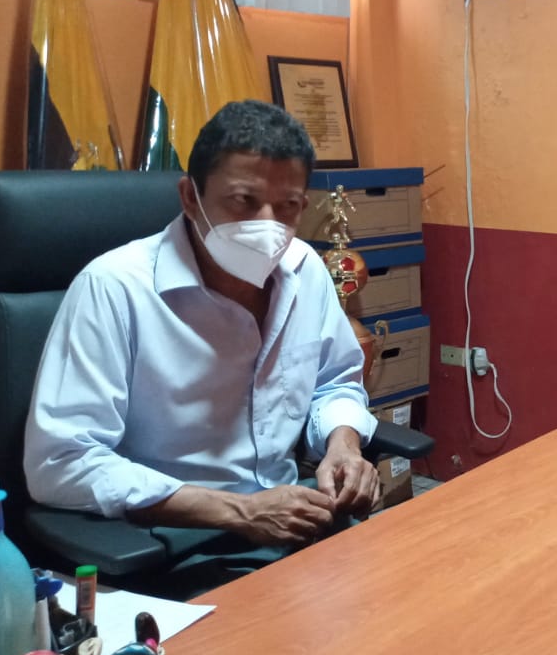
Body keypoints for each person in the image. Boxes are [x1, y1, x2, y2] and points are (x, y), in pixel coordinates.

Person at [24, 100, 380, 595]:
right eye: (243, 200)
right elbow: (59, 462)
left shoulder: (305, 270)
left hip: (294, 521)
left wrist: (343, 443)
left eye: (288, 206)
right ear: (190, 197)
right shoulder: (114, 288)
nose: (268, 224)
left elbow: (334, 380)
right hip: (172, 543)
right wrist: (240, 511)